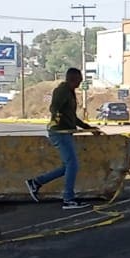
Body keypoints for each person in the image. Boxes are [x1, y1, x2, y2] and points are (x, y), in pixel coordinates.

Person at [25, 67, 101, 210]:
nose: (80, 83)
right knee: (72, 165)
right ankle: (68, 199)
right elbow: (54, 108)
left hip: (65, 131)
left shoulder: (70, 92)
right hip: (60, 132)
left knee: (67, 166)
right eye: (79, 80)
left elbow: (72, 117)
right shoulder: (62, 91)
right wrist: (57, 118)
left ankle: (36, 182)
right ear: (73, 79)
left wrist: (88, 128)